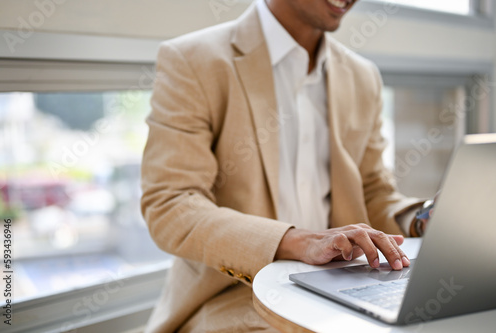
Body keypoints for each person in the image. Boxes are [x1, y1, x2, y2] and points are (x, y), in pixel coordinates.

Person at [141, 0, 430, 331]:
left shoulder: (362, 76)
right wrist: (301, 242)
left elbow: (373, 192)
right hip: (232, 297)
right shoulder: (194, 60)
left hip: (342, 288)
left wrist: (423, 219)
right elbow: (170, 206)